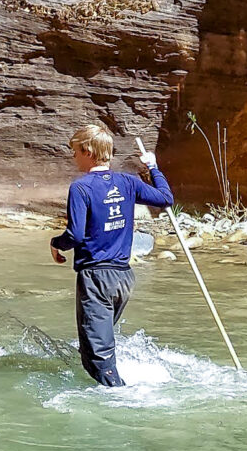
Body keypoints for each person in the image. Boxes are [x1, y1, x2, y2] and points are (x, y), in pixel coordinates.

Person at [49, 122, 175, 387]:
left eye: (75, 151)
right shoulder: (128, 182)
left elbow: (76, 235)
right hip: (123, 279)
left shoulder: (81, 188)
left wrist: (56, 244)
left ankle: (121, 401)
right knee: (97, 347)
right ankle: (114, 385)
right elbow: (165, 198)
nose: (73, 157)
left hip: (96, 278)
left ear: (87, 151)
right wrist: (153, 166)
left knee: (97, 356)